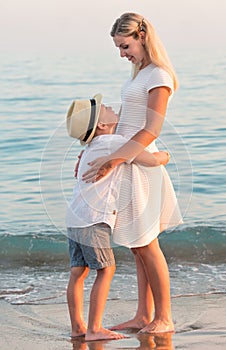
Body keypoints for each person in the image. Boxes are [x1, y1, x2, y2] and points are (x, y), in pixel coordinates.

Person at [82, 13, 183, 334]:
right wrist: (92, 152)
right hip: (129, 162)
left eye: (125, 46)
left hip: (139, 164)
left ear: (142, 36)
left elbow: (151, 129)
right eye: (118, 48)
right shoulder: (139, 74)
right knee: (138, 245)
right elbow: (123, 123)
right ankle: (143, 315)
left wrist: (114, 159)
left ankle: (163, 318)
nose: (122, 53)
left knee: (146, 244)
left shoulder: (159, 76)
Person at [66, 93, 171, 341]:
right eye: (105, 107)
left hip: (74, 219)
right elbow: (152, 160)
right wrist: (166, 156)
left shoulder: (91, 148)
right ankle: (94, 329)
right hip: (94, 219)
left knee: (77, 273)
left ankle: (77, 327)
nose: (111, 106)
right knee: (106, 269)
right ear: (102, 125)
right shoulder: (116, 143)